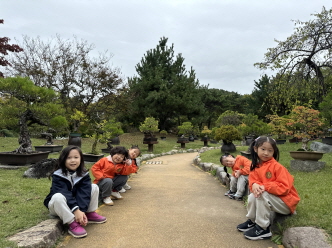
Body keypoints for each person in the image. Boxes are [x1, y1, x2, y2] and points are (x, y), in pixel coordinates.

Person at [237, 136, 300, 240]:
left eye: (270, 150)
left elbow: (284, 188)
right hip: (272, 199)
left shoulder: (277, 167)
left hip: (286, 203)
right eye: (263, 149)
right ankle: (252, 221)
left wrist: (264, 186)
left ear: (274, 151)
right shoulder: (255, 166)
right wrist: (254, 185)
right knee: (253, 195)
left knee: (262, 193)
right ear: (255, 149)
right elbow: (253, 181)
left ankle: (263, 228)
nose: (266, 153)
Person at [44, 145, 106, 239]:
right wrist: (76, 210)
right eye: (69, 158)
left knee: (93, 187)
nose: (73, 160)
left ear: (81, 159)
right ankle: (72, 223)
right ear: (63, 160)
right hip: (58, 207)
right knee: (58, 196)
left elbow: (84, 193)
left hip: (75, 205)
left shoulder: (83, 174)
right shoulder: (58, 175)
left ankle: (89, 213)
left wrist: (82, 211)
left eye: (76, 157)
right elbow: (65, 193)